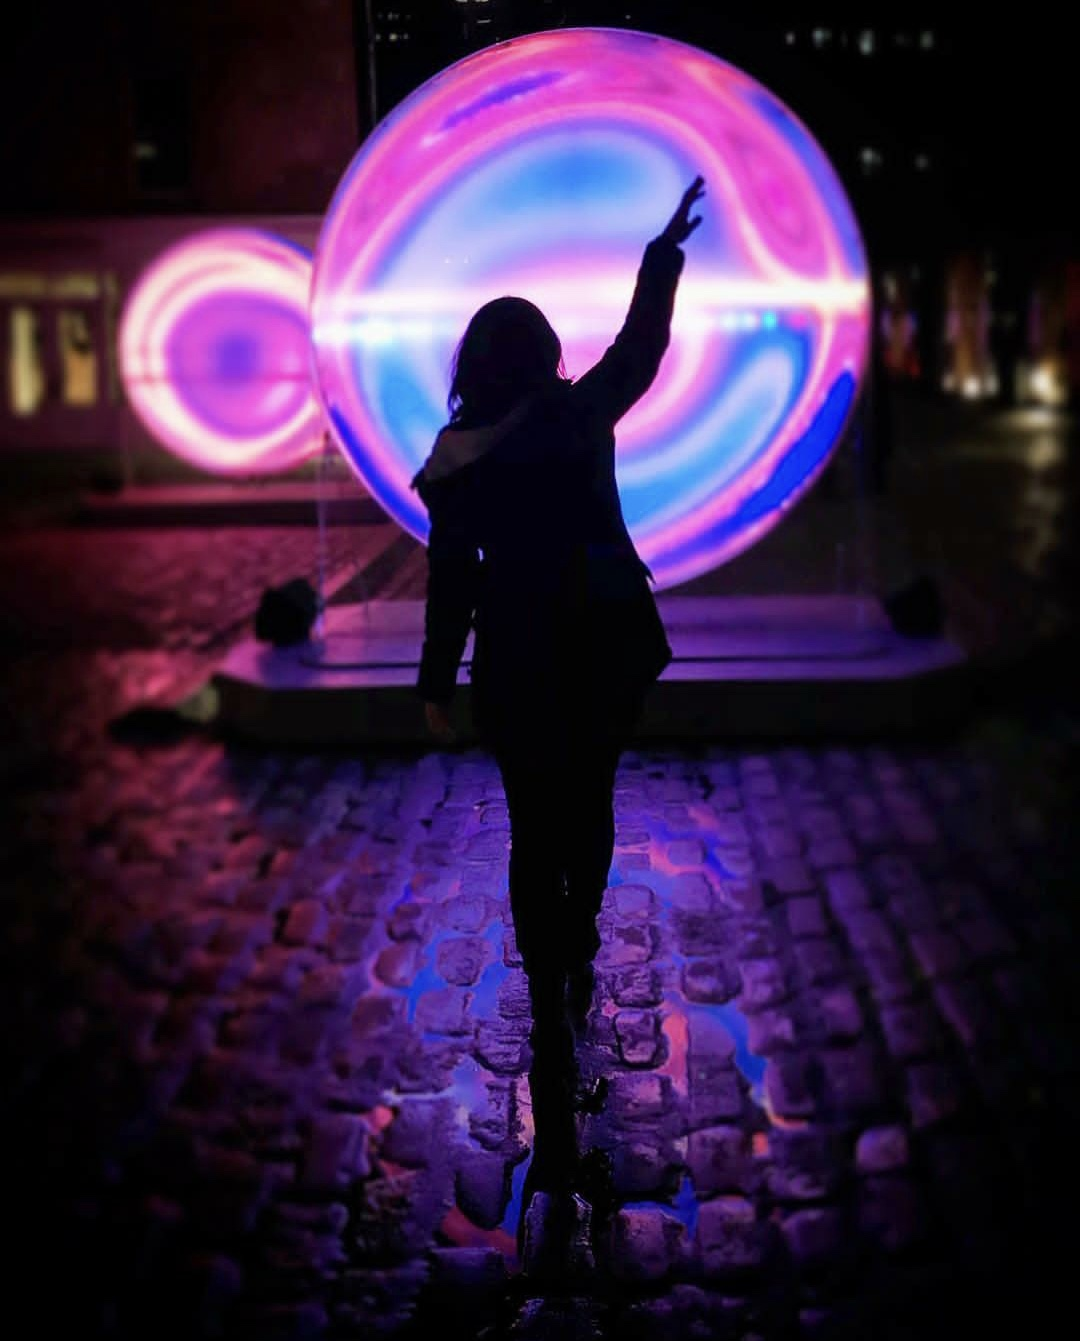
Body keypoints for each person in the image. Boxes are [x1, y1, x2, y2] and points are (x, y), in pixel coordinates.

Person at [410, 177, 705, 1211]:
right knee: (592, 802)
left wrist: (435, 684)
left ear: (471, 369)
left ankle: (548, 979)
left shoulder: (457, 462)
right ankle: (576, 945)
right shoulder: (579, 416)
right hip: (605, 647)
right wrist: (662, 254)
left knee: (535, 824)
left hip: (521, 660)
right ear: (543, 355)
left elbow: (451, 580)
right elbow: (639, 351)